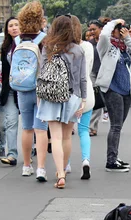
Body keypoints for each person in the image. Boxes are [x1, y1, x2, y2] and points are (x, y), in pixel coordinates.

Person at [36, 15, 87, 189]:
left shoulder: (48, 47)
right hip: (72, 96)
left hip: (51, 96)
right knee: (66, 137)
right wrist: (83, 99)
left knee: (55, 137)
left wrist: (39, 96)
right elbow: (82, 78)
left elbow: (42, 73)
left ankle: (60, 174)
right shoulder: (78, 50)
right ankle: (62, 170)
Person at [96, 19, 131, 172]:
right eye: (120, 29)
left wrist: (128, 39)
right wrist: (114, 22)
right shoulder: (106, 45)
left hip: (126, 90)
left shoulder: (125, 47)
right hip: (112, 89)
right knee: (115, 126)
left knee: (118, 126)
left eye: (124, 29)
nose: (122, 31)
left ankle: (114, 156)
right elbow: (103, 35)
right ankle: (111, 161)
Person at [15, 1, 49, 179]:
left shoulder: (17, 39)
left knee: (27, 128)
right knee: (41, 129)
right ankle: (41, 168)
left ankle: (26, 165)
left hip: (22, 88)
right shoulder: (44, 39)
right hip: (40, 89)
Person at [73, 16, 94, 180]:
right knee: (84, 131)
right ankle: (86, 160)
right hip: (87, 93)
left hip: (69, 94)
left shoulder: (63, 48)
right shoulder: (87, 46)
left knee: (65, 134)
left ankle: (64, 165)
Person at [0, 17, 22, 166]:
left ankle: (31, 150)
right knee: (11, 122)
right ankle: (12, 154)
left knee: (29, 123)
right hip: (11, 89)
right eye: (11, 26)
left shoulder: (28, 43)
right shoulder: (6, 47)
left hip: (27, 89)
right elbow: (4, 71)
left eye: (16, 25)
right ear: (7, 29)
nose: (14, 28)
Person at [87, 19, 105, 136]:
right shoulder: (89, 43)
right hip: (93, 72)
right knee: (96, 99)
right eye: (90, 29)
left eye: (94, 29)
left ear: (101, 29)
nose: (92, 32)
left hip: (106, 73)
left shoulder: (106, 41)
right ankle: (92, 127)